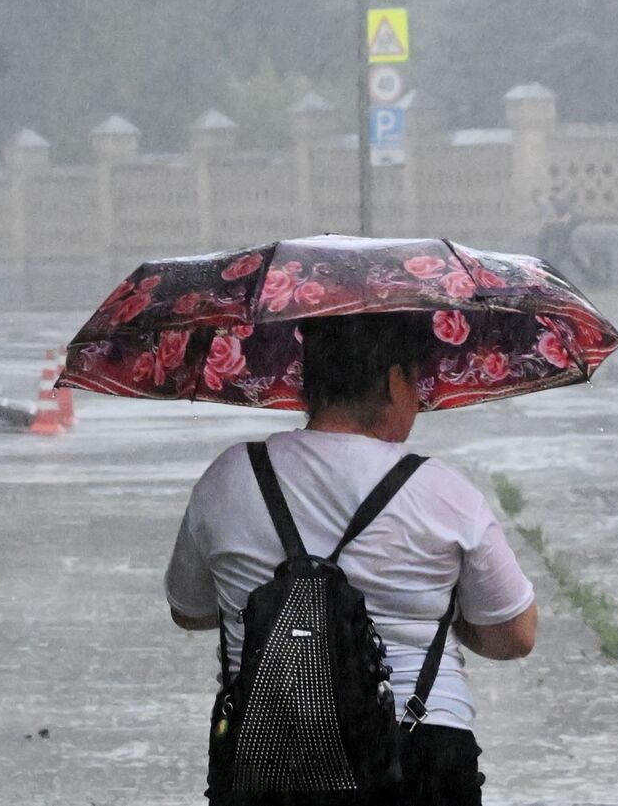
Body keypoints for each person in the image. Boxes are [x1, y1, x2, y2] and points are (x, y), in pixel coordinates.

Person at [164, 312, 538, 805]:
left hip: (265, 754)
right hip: (419, 750)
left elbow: (189, 611)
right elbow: (513, 635)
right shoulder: (443, 491)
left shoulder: (230, 476)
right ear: (393, 379)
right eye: (417, 380)